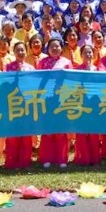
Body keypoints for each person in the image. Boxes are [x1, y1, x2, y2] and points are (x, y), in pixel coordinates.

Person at [37, 38, 73, 167]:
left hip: (61, 99)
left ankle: (61, 158)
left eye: (57, 46)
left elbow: (71, 81)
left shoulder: (67, 63)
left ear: (62, 49)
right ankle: (47, 158)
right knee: (48, 129)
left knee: (60, 129)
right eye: (52, 46)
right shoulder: (42, 62)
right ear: (47, 49)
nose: (55, 49)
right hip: (47, 100)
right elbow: (39, 81)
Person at [4, 43, 36, 169]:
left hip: (27, 104)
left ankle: (24, 160)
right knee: (12, 133)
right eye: (18, 50)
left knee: (25, 133)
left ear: (26, 52)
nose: (21, 52)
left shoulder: (31, 68)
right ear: (13, 52)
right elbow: (5, 84)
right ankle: (11, 161)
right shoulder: (8, 67)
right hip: (13, 103)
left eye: (23, 50)